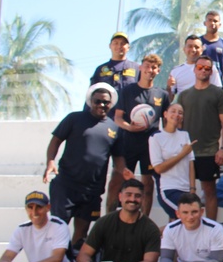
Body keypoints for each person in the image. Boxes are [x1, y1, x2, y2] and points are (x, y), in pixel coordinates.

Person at [43, 83, 119, 250]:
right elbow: (56, 140)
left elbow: (119, 160)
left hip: (92, 190)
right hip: (66, 186)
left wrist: (124, 173)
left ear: (111, 103)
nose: (102, 105)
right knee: (59, 230)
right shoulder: (74, 118)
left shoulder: (114, 128)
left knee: (82, 235)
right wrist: (50, 162)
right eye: (97, 101)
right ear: (90, 101)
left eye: (105, 102)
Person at [112, 53, 170, 216]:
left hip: (150, 145)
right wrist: (129, 127)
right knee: (119, 180)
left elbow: (166, 124)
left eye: (154, 67)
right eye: (147, 66)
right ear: (140, 67)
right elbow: (117, 117)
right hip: (127, 142)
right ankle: (113, 218)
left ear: (158, 71)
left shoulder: (162, 95)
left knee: (148, 183)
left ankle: (143, 220)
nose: (149, 70)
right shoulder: (128, 91)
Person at [177, 55, 223, 220]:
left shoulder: (219, 94)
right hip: (186, 153)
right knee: (185, 191)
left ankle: (211, 226)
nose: (203, 71)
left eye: (207, 68)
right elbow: (177, 125)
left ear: (211, 71)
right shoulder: (184, 95)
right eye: (200, 67)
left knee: (209, 190)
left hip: (209, 152)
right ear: (194, 69)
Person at [90, 32, 139, 214]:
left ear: (128, 47)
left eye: (123, 44)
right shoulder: (101, 70)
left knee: (121, 173)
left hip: (128, 130)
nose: (120, 46)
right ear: (110, 46)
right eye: (116, 43)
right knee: (106, 178)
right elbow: (91, 97)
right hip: (103, 127)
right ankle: (108, 217)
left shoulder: (136, 68)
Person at [148, 103, 196, 220]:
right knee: (187, 217)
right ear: (165, 114)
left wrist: (192, 189)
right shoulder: (156, 137)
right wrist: (182, 154)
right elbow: (158, 168)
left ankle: (162, 238)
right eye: (173, 111)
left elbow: (190, 163)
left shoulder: (185, 135)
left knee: (178, 224)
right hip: (168, 189)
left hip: (185, 189)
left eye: (180, 113)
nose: (176, 115)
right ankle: (153, 236)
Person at [200, 10, 223, 81]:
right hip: (200, 84)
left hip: (218, 85)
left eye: (215, 21)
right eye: (210, 20)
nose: (212, 23)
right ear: (205, 23)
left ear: (220, 25)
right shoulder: (198, 42)